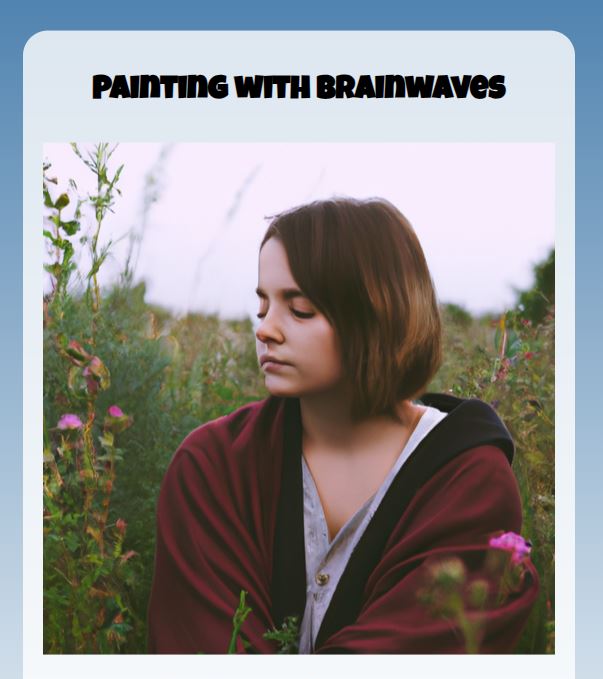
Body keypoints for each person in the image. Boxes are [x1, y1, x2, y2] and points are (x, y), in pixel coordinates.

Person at [147, 197, 538, 654]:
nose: (265, 329)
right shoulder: (213, 465)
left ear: (377, 315)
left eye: (300, 310)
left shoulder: (470, 483)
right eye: (262, 306)